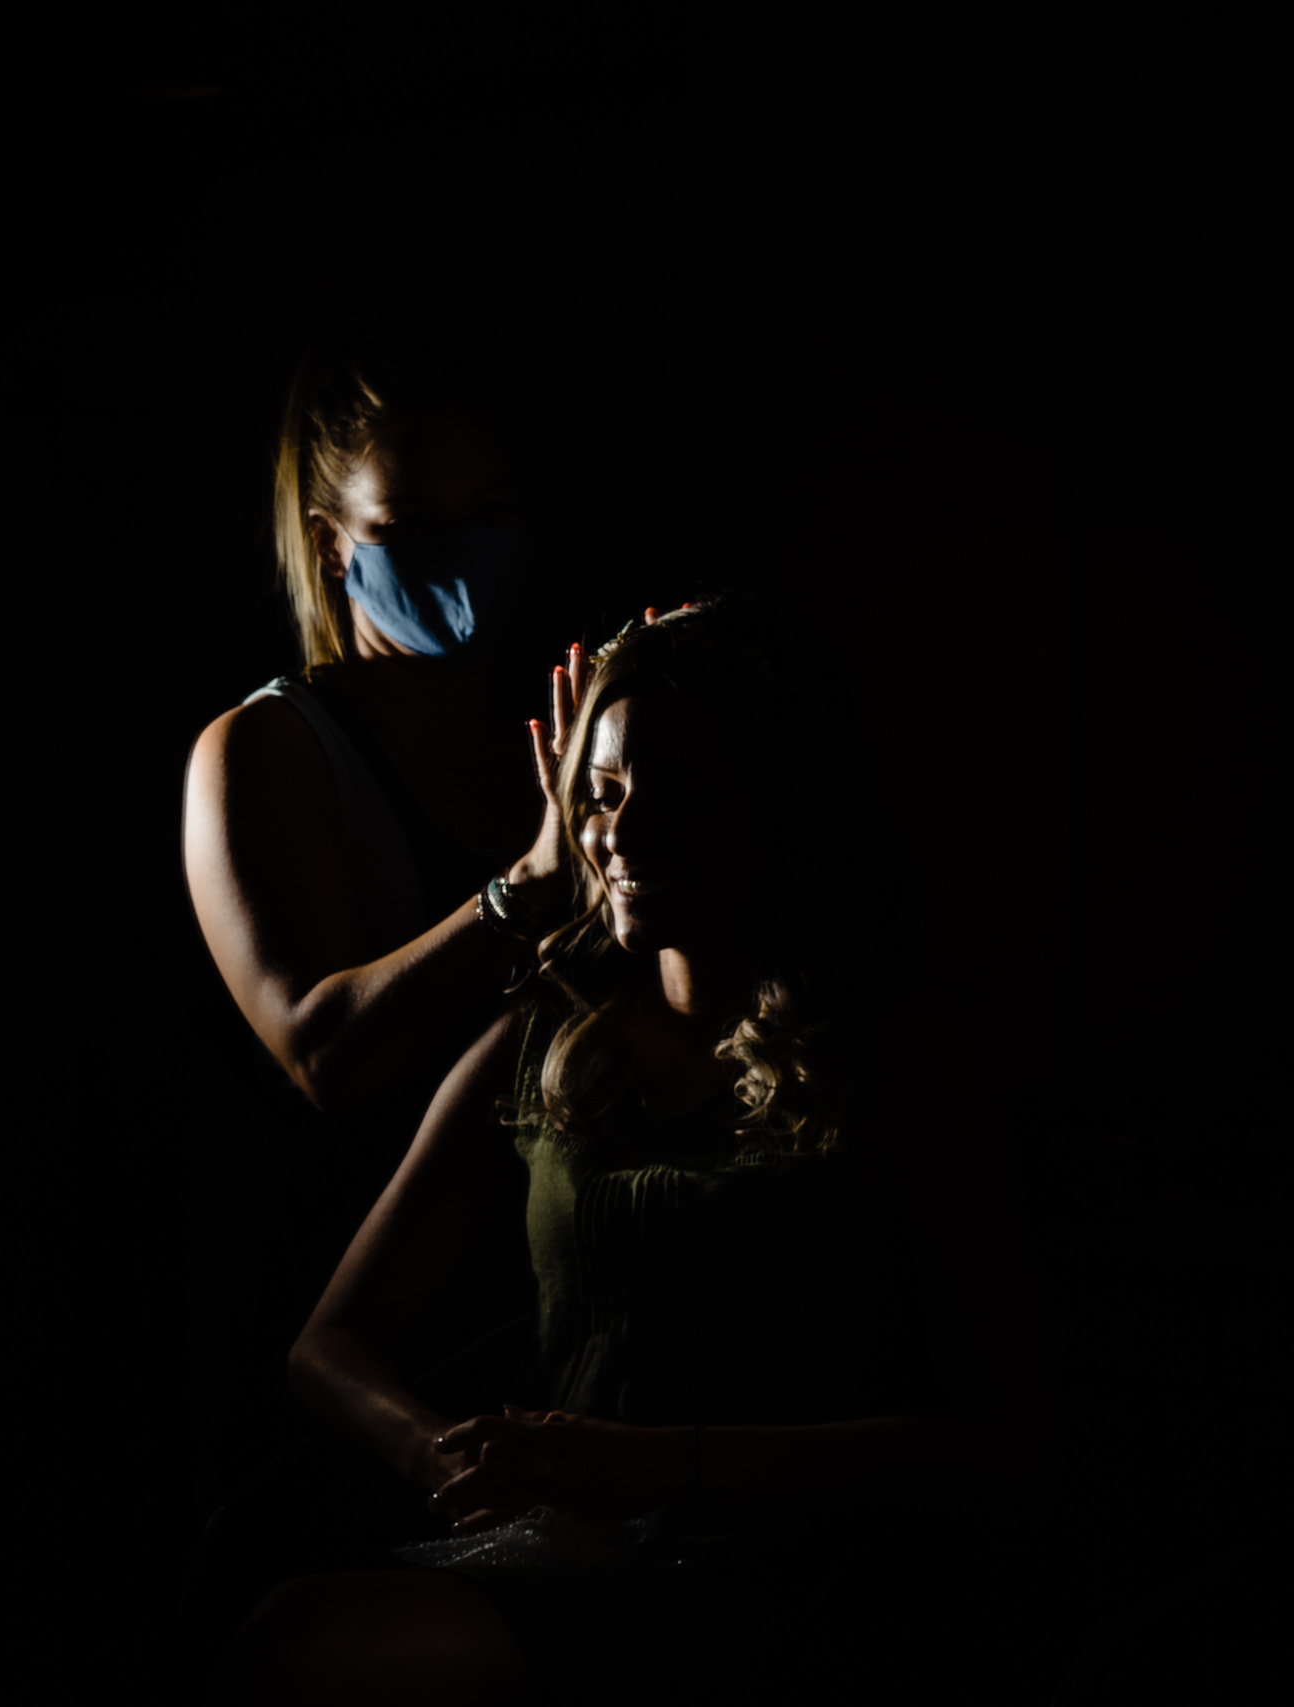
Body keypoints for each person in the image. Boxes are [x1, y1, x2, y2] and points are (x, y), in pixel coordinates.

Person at [206, 599, 1064, 1705]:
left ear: (783, 812)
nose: (626, 836)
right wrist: (441, 1452)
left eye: (686, 797)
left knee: (305, 1645)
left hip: (789, 1579)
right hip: (562, 1557)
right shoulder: (550, 1040)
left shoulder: (894, 1062)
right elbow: (327, 1345)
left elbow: (1010, 1439)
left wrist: (664, 1465)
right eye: (605, 793)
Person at [181, 322, 659, 1402]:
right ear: (329, 542)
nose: (466, 553)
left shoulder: (561, 722)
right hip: (350, 1334)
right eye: (416, 527)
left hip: (545, 1310)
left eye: (490, 512)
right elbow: (324, 1057)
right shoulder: (270, 751)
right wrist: (524, 891)